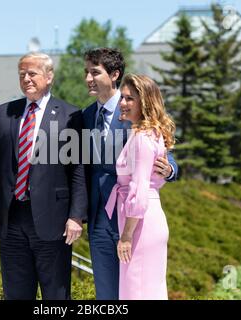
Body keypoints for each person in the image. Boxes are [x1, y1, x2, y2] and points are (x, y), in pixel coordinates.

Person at [0, 52, 87, 300]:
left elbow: (78, 170)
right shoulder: (3, 113)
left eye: (32, 73)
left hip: (54, 222)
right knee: (16, 293)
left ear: (49, 77)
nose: (26, 79)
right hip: (10, 221)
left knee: (56, 296)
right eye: (22, 74)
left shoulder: (71, 116)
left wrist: (76, 216)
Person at [82, 48, 178, 300]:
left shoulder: (136, 115)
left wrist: (169, 170)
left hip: (132, 218)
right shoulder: (86, 116)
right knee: (109, 295)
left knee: (136, 290)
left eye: (95, 72)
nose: (88, 79)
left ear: (114, 75)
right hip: (99, 218)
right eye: (86, 73)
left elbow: (164, 158)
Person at [105, 74, 175, 299]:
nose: (122, 103)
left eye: (130, 99)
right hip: (146, 221)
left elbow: (140, 190)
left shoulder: (143, 138)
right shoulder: (150, 134)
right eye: (122, 97)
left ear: (145, 102)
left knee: (136, 292)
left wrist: (125, 236)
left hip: (140, 226)